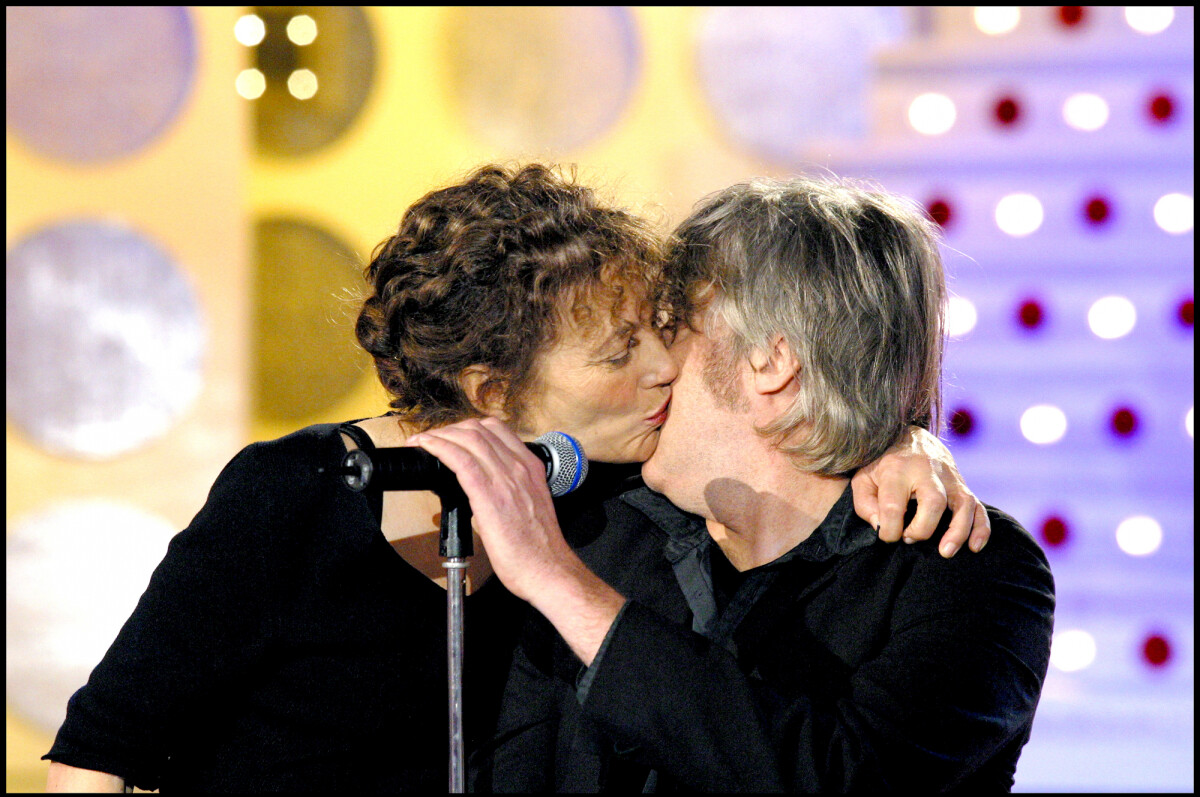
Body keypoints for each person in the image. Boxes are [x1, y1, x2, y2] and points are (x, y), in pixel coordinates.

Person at [43, 165, 987, 792]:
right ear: (494, 393)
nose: (667, 366)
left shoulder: (600, 497)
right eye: (623, 350)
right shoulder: (296, 497)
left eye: (661, 327)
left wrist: (906, 440)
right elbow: (94, 757)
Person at [414, 175, 1056, 792]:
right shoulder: (603, 519)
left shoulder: (967, 569)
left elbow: (843, 777)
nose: (658, 364)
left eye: (673, 325)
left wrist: (561, 585)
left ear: (772, 363)